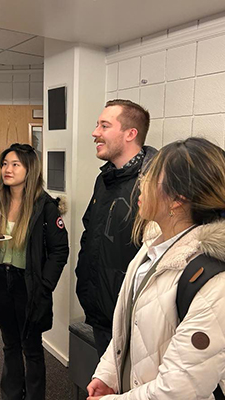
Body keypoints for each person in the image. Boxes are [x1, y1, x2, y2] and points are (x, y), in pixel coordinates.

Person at [87, 137, 225, 400]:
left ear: (177, 200)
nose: (140, 184)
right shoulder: (152, 246)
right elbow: (127, 326)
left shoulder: (214, 282)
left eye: (150, 178)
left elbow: (179, 390)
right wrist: (108, 374)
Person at [0, 143, 69, 400]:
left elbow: (60, 251)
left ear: (29, 169)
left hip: (29, 286)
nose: (7, 169)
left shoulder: (45, 206)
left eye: (15, 164)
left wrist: (45, 285)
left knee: (32, 348)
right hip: (0, 282)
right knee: (10, 345)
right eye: (5, 164)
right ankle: (11, 395)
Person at [75, 99, 156, 357]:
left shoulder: (154, 185)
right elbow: (91, 234)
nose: (95, 132)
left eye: (104, 125)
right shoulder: (104, 179)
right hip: (101, 310)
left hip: (134, 319)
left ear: (130, 134)